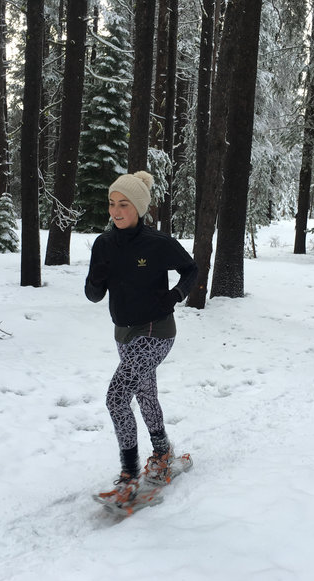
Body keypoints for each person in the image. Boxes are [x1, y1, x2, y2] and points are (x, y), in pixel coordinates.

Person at [85, 171, 198, 507]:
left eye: (123, 204)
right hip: (124, 332)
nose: (115, 211)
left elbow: (191, 269)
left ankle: (129, 477)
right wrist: (97, 277)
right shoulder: (103, 244)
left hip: (156, 331)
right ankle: (163, 454)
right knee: (145, 392)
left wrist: (175, 295)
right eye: (111, 203)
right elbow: (93, 294)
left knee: (117, 396)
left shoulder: (157, 243)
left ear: (139, 207)